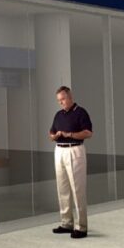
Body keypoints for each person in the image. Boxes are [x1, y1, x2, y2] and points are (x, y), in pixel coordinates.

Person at [48, 86, 92, 239]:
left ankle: (81, 227)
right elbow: (51, 133)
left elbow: (88, 132)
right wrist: (55, 136)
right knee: (62, 188)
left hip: (74, 150)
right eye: (59, 101)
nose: (61, 103)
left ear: (70, 97)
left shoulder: (81, 112)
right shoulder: (58, 115)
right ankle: (66, 223)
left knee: (77, 189)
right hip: (59, 150)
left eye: (63, 99)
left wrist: (70, 134)